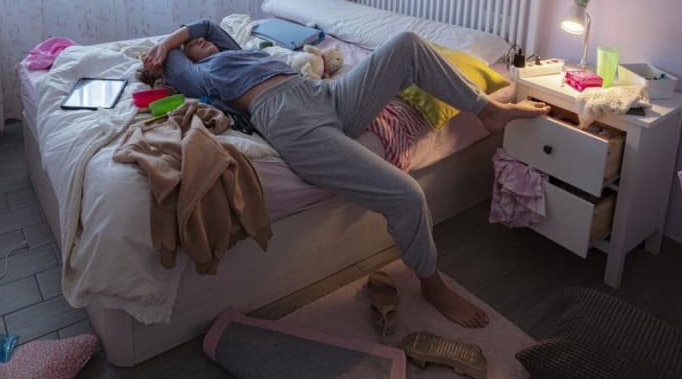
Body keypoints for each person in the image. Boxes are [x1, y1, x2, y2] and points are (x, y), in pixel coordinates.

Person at [141, 19, 549, 328]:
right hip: (285, 118)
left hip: (321, 93)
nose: (198, 41)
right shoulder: (198, 74)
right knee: (407, 195)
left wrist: (188, 36)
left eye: (199, 40)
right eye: (193, 47)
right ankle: (432, 283)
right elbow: (173, 56)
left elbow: (206, 25)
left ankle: (489, 110)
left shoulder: (227, 46)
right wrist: (167, 45)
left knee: (407, 44)